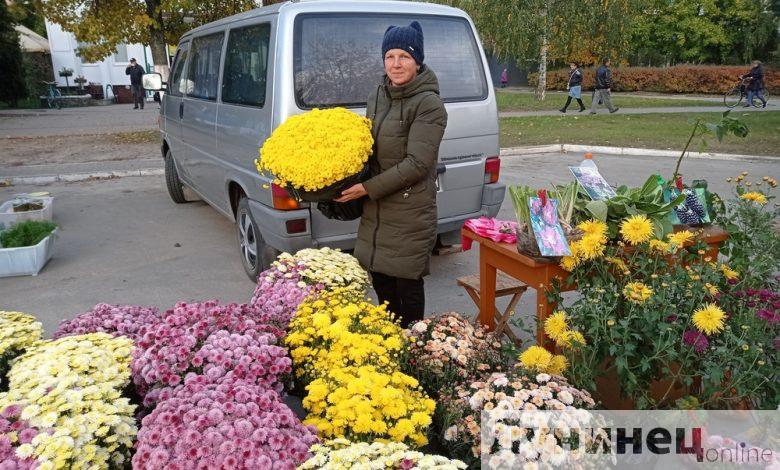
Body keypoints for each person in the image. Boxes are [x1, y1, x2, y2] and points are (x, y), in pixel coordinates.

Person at [335, 21, 448, 326]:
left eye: (404, 56)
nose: (396, 64)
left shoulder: (429, 104)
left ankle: (413, 345)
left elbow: (418, 164)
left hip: (409, 210)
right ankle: (391, 339)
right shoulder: (378, 95)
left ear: (418, 60)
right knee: (381, 279)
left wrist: (366, 189)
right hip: (378, 209)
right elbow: (367, 146)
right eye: (390, 57)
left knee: (407, 283)